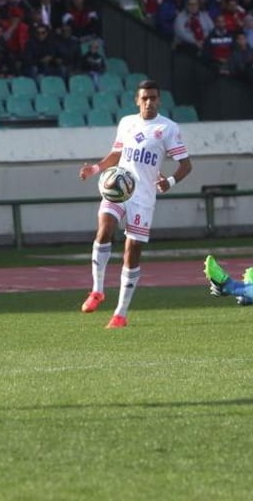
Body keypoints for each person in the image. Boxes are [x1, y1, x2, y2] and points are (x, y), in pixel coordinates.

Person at [77, 80, 192, 328]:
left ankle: (120, 313)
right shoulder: (127, 123)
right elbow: (117, 153)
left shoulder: (168, 128)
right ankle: (97, 290)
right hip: (119, 188)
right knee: (104, 228)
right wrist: (95, 168)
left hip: (143, 198)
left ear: (159, 100)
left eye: (153, 97)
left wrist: (169, 181)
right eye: (145, 98)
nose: (149, 102)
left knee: (132, 251)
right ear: (137, 100)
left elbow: (186, 164)